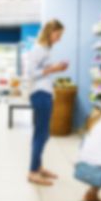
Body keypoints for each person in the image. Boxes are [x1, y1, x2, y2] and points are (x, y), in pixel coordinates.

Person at [27, 19, 69, 186]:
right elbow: (31, 74)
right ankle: (32, 171)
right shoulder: (38, 49)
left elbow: (42, 71)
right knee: (41, 133)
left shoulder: (45, 50)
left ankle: (38, 166)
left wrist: (56, 67)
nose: (59, 38)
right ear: (49, 32)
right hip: (39, 93)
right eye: (58, 34)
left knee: (43, 134)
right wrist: (54, 68)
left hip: (45, 92)